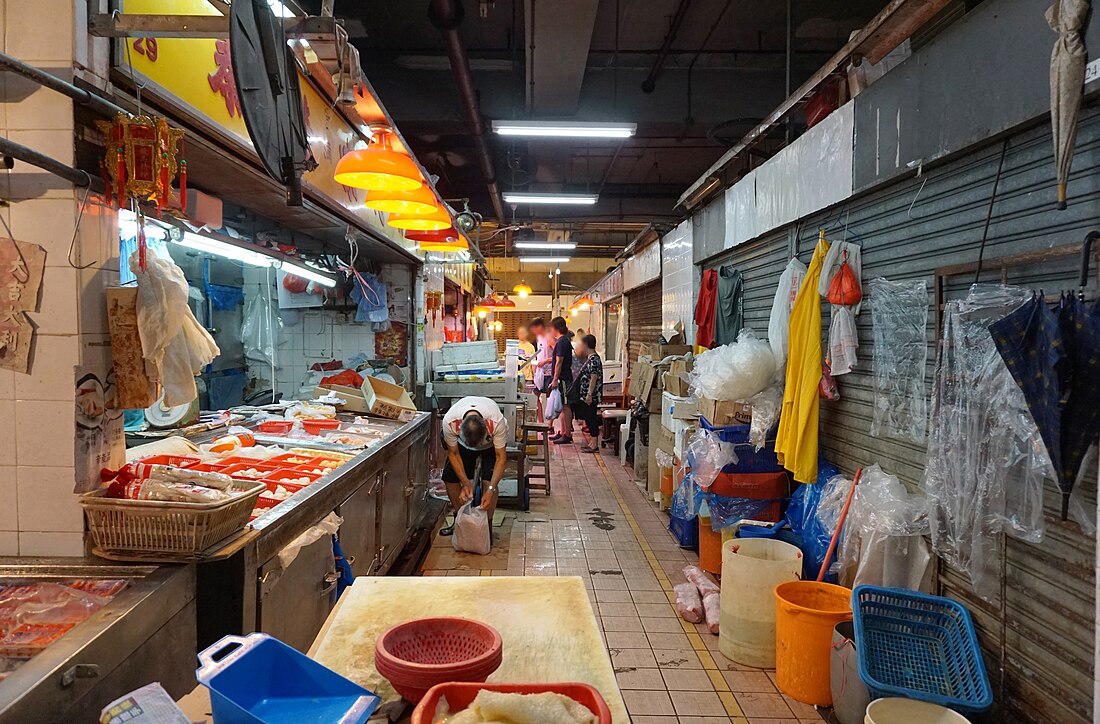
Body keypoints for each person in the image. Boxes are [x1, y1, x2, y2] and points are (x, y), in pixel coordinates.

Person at [438, 396, 509, 537]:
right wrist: (465, 482)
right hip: (463, 447)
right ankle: (460, 522)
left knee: (488, 481)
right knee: (450, 477)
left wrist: (490, 489)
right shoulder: (450, 421)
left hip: (491, 447)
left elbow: (501, 457)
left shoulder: (496, 422)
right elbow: (453, 454)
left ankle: (486, 526)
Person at [570, 334, 604, 453]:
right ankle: (592, 442)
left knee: (591, 418)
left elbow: (593, 378)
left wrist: (589, 394)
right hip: (586, 395)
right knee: (589, 418)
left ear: (586, 345)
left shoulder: (594, 359)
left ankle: (594, 444)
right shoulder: (590, 358)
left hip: (591, 396)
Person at [548, 316, 575, 444]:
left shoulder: (561, 342)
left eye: (551, 328)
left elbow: (559, 362)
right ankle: (563, 431)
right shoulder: (563, 341)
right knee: (563, 406)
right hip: (563, 377)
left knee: (565, 405)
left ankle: (567, 434)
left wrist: (555, 379)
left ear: (556, 328)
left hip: (563, 378)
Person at [529, 317, 554, 421]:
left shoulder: (550, 338)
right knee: (535, 396)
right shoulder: (539, 338)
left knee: (549, 398)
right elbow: (540, 354)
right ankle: (541, 421)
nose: (533, 331)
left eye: (534, 328)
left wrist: (546, 361)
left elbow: (557, 356)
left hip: (549, 372)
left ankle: (549, 424)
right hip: (540, 373)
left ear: (539, 326)